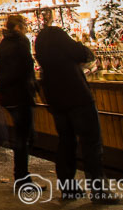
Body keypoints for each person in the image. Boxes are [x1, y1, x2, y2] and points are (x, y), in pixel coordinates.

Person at [34, 12, 118, 204]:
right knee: (91, 145)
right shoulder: (64, 46)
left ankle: (68, 189)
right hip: (78, 99)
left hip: (57, 102)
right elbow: (87, 55)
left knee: (66, 144)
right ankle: (99, 191)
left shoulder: (43, 54)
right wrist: (76, 44)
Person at [0, 14, 38, 197]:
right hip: (20, 94)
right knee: (24, 137)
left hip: (7, 95)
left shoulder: (2, 44)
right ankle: (22, 177)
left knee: (22, 136)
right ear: (19, 27)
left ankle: (22, 176)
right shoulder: (21, 42)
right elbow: (27, 67)